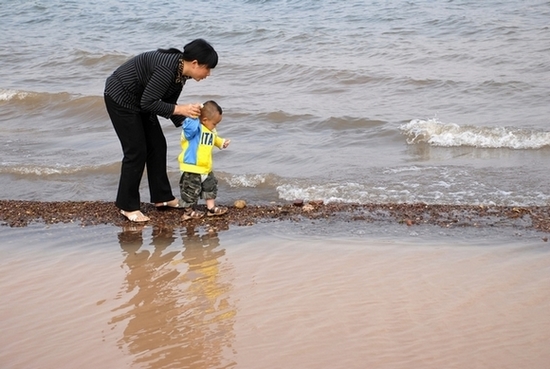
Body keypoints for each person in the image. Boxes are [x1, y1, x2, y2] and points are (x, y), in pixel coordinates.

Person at [104, 39, 218, 222]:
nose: (209, 74)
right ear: (195, 63)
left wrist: (194, 126)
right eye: (208, 68)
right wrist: (181, 109)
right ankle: (127, 206)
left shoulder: (182, 74)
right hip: (121, 97)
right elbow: (150, 103)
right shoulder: (167, 69)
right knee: (136, 151)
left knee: (157, 145)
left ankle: (162, 198)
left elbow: (166, 105)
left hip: (141, 100)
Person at [178, 100, 230, 220]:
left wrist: (222, 143)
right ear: (205, 120)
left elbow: (214, 138)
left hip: (205, 167)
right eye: (215, 123)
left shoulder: (210, 130)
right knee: (190, 191)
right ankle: (188, 212)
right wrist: (195, 116)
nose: (215, 126)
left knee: (210, 186)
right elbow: (188, 127)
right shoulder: (194, 130)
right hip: (191, 167)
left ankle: (211, 208)